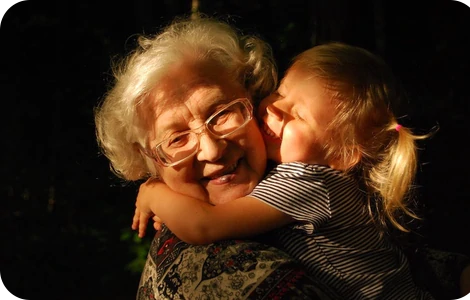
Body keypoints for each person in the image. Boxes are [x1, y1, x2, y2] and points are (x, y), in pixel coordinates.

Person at [132, 41, 438, 299]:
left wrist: (153, 192)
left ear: (343, 155)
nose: (274, 109)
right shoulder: (307, 176)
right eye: (280, 93)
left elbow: (203, 226)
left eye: (299, 116)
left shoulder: (308, 182)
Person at [94, 14, 341, 299]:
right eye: (177, 138)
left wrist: (154, 193)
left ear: (253, 98)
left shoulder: (308, 169)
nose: (212, 149)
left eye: (222, 113)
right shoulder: (217, 269)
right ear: (151, 163)